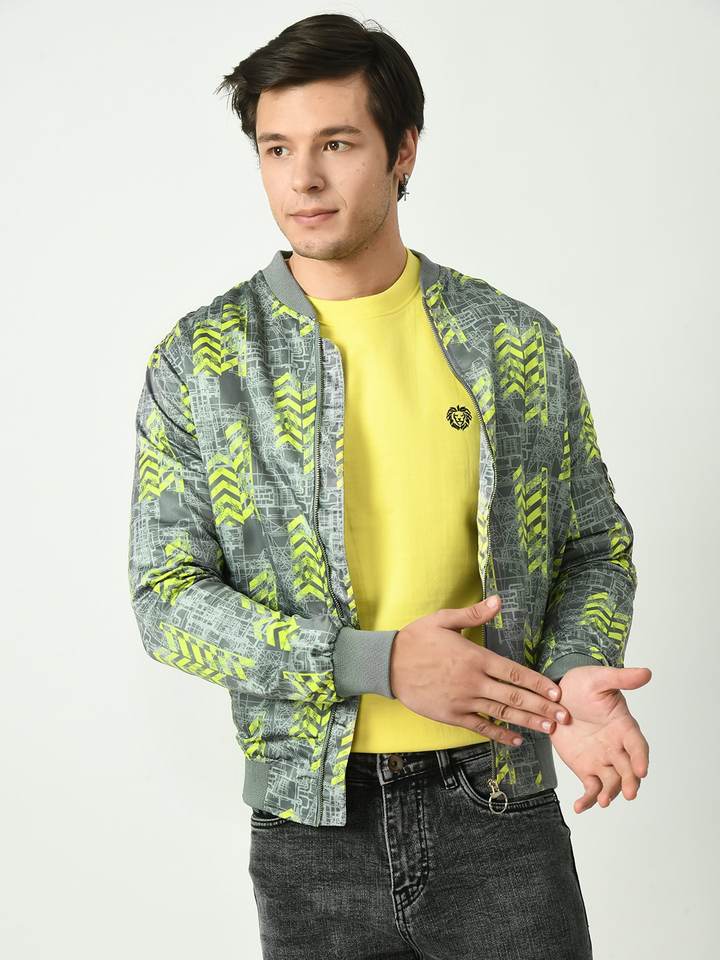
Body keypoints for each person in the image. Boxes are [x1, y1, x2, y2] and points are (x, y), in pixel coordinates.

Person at [127, 12, 651, 959]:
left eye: (336, 143)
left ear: (403, 150)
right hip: (309, 825)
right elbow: (166, 599)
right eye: (276, 148)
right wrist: (376, 664)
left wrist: (575, 669)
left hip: (501, 803)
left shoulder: (511, 342)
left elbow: (592, 544)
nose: (303, 178)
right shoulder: (203, 361)